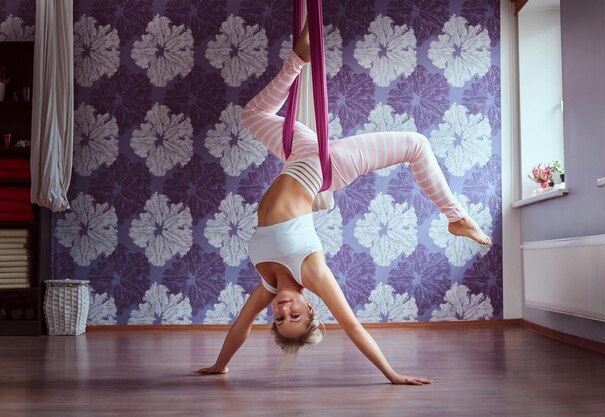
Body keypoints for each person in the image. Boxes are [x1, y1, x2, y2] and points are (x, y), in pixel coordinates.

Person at [195, 21, 490, 385]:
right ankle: (456, 217)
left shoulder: (268, 285)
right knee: (416, 144)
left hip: (299, 156)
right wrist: (392, 374)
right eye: (296, 316)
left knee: (252, 115)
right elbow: (351, 325)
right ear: (310, 307)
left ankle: (297, 61)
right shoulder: (312, 272)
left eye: (278, 319)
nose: (283, 310)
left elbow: (241, 326)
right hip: (325, 166)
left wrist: (221, 364)